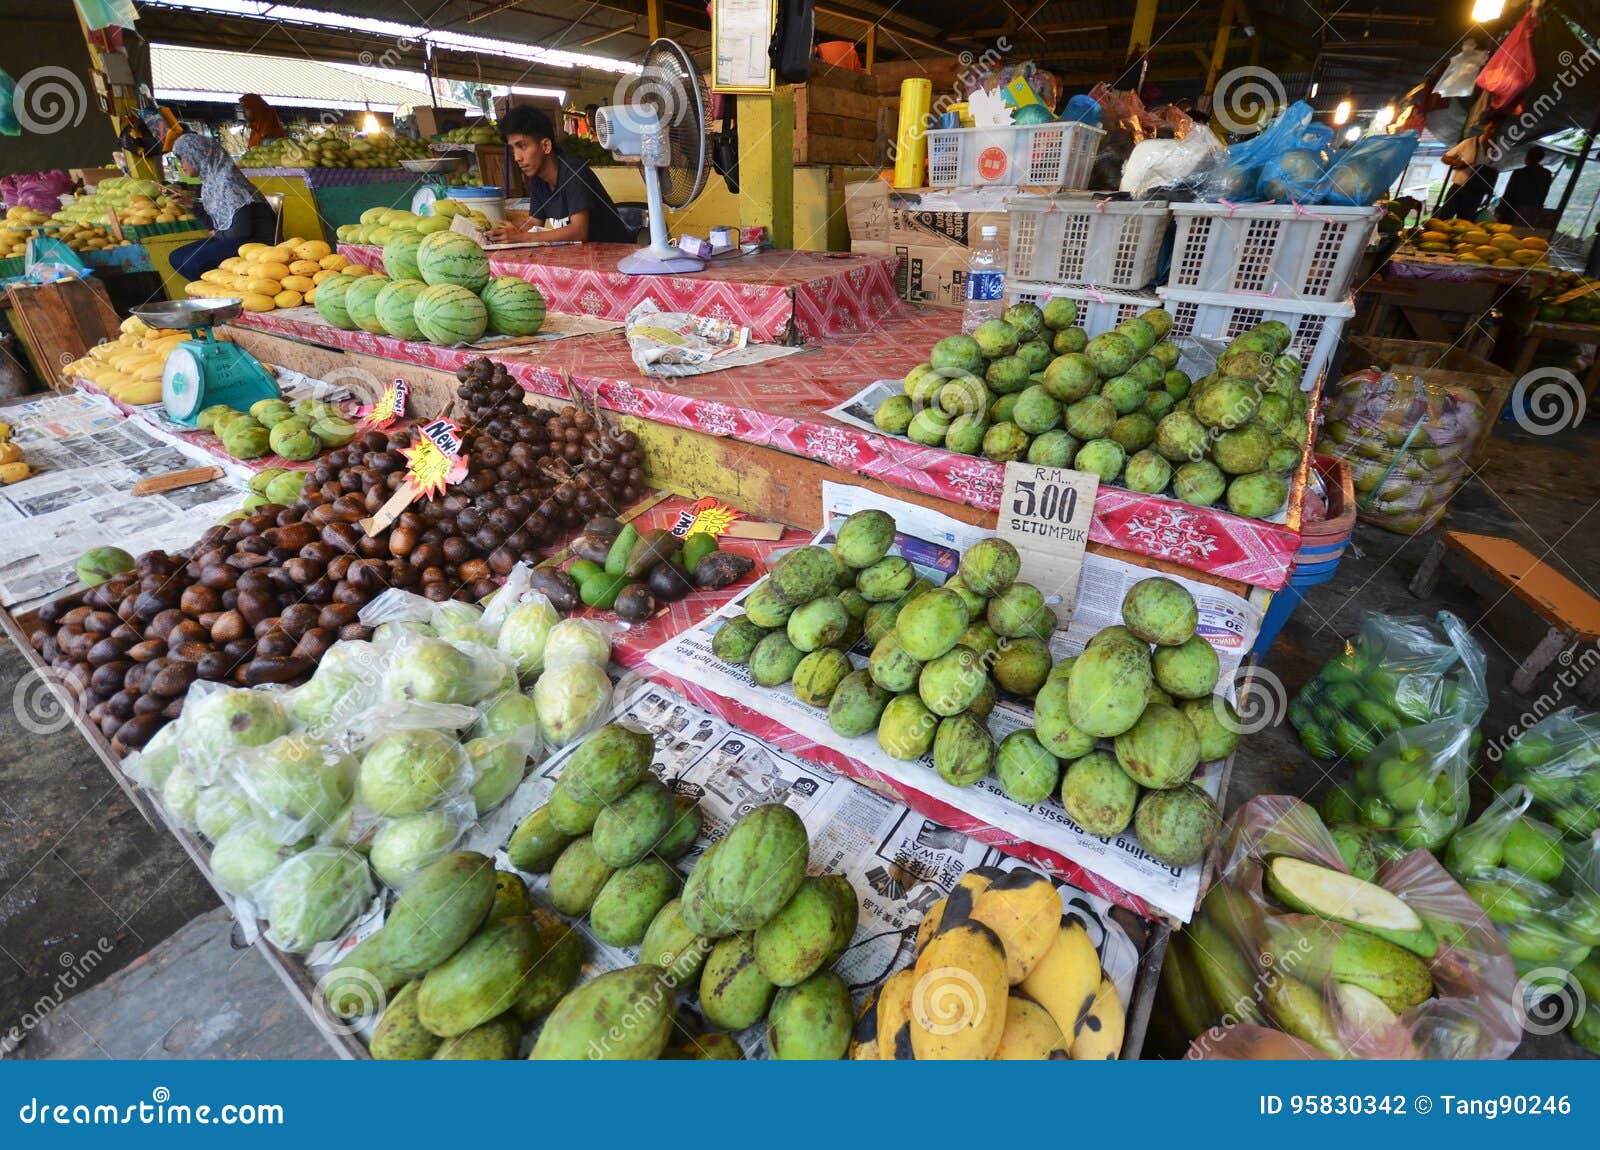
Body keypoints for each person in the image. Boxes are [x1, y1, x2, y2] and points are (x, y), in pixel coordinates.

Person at [484, 105, 633, 244]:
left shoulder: (574, 172)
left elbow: (579, 232)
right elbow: (535, 222)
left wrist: (522, 237)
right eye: (513, 149)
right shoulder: (537, 179)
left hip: (615, 258)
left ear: (546, 146)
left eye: (522, 146)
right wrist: (510, 233)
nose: (517, 157)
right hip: (580, 257)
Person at [166, 134, 277, 281]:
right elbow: (215, 224)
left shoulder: (229, 182)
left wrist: (217, 233)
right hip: (232, 238)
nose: (181, 164)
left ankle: (220, 289)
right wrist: (189, 204)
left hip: (253, 241)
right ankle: (214, 288)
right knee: (176, 257)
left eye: (183, 159)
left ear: (197, 155)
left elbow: (240, 232)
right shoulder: (211, 183)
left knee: (193, 263)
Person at [1438, 117, 1499, 220]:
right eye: (1491, 128)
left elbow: (1493, 174)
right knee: (1444, 220)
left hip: (1476, 194)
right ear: (1484, 127)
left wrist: (1489, 196)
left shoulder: (1495, 151)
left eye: (1497, 129)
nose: (1493, 131)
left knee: (1465, 223)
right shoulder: (1469, 143)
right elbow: (1445, 158)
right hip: (1458, 189)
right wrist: (1459, 163)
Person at [1497, 146, 1555, 227]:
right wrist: (1538, 208)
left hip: (1513, 210)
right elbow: (1544, 193)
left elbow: (1509, 192)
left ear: (1527, 157)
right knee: (1520, 235)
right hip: (1531, 212)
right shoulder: (1546, 174)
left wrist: (1500, 210)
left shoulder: (1519, 173)